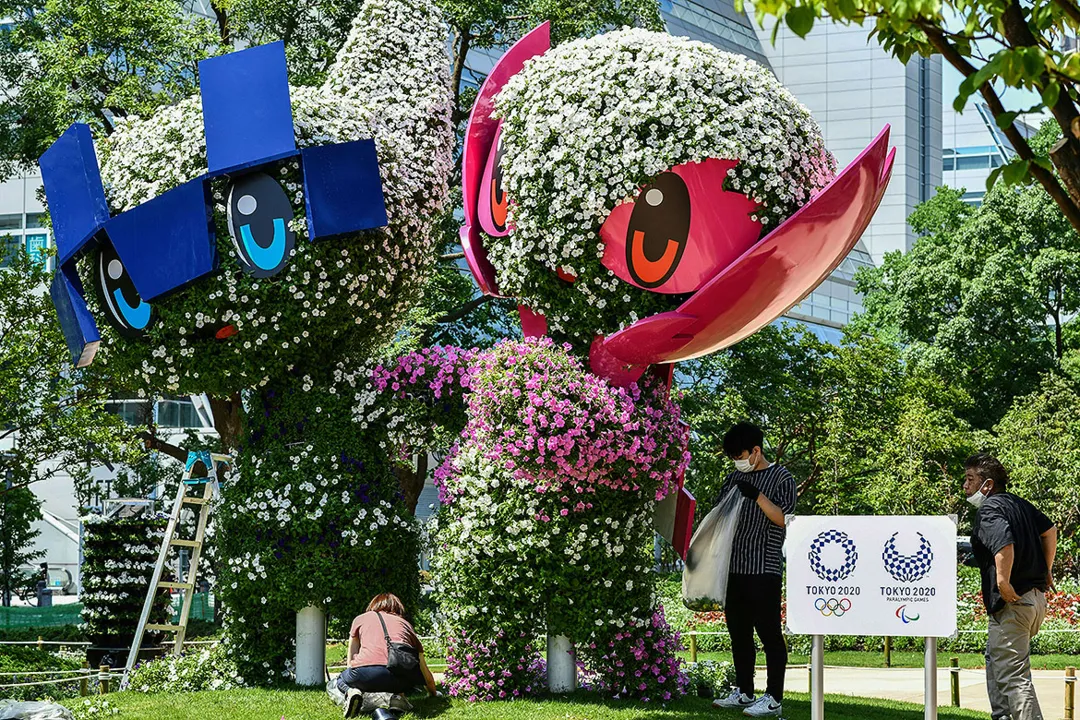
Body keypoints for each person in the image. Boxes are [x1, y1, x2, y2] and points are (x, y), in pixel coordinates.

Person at [711, 422, 796, 718]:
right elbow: (718, 514)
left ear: (756, 451)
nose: (737, 460)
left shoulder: (781, 477)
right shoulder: (733, 478)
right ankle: (745, 692)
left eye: (741, 454)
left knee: (769, 633)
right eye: (733, 456)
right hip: (734, 567)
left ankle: (773, 698)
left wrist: (757, 496)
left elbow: (784, 519)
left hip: (764, 567)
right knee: (739, 632)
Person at [964, 453, 1057, 720]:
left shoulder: (990, 509)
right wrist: (1047, 570)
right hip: (1033, 601)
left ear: (988, 484)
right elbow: (1050, 530)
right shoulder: (1019, 504)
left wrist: (1003, 582)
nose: (965, 486)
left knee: (1015, 678)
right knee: (996, 664)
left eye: (970, 479)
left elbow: (1004, 543)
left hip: (1014, 604)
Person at [338, 593, 438, 718]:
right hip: (404, 681)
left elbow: (351, 661)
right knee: (397, 670)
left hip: (365, 675)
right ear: (398, 607)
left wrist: (357, 682)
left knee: (341, 679)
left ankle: (352, 692)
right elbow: (424, 671)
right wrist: (433, 693)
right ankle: (397, 698)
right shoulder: (406, 624)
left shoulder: (360, 619)